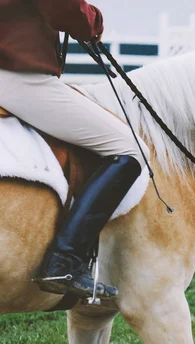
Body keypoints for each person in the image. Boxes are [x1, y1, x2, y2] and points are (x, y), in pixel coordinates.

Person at [0, 0, 147, 300]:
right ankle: (63, 262)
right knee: (129, 148)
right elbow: (63, 8)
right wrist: (92, 20)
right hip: (16, 76)